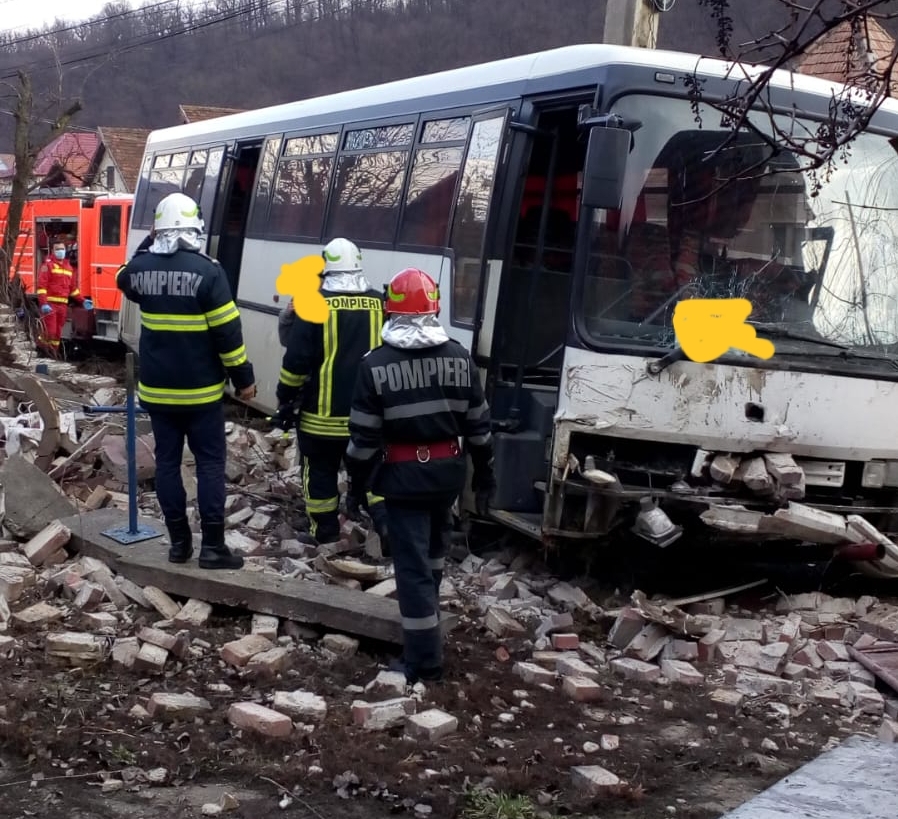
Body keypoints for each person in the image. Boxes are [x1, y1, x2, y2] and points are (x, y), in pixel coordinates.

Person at [343, 267, 496, 684]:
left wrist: (355, 487)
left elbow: (363, 443)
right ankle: (428, 631)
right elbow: (480, 430)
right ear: (434, 308)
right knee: (432, 560)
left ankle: (424, 665)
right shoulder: (461, 357)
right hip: (447, 477)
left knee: (411, 570)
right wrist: (484, 478)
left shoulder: (375, 365)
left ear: (390, 310)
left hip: (403, 481)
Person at [116, 192, 255, 571]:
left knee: (167, 464)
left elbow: (122, 276)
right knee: (210, 465)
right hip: (202, 394)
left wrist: (149, 242)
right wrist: (244, 379)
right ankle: (212, 548)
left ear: (159, 229)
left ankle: (178, 545)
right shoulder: (209, 272)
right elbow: (229, 335)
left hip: (158, 393)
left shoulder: (139, 270)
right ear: (196, 229)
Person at [274, 237, 390, 550]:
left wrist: (284, 397)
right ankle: (388, 529)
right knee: (373, 474)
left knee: (321, 473)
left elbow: (296, 362)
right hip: (370, 419)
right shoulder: (381, 303)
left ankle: (325, 534)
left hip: (321, 419)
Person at [35, 239, 92, 357]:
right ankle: (42, 351)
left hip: (62, 307)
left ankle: (52, 354)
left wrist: (83, 300)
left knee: (57, 333)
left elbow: (73, 289)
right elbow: (41, 287)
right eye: (57, 249)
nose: (60, 251)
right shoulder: (47, 266)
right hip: (50, 305)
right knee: (49, 331)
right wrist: (44, 303)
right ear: (52, 251)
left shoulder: (69, 268)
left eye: (62, 249)